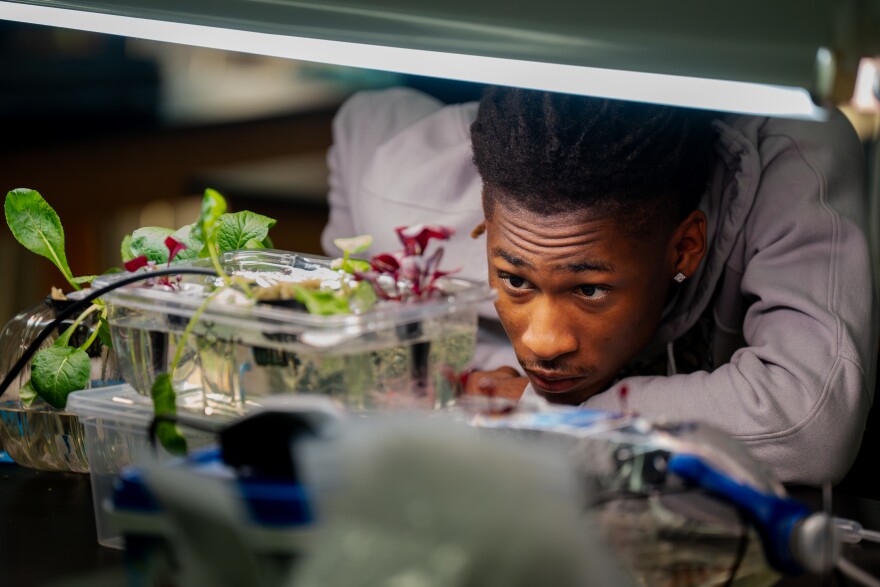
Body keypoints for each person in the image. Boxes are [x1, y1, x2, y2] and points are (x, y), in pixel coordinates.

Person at [321, 86, 876, 486]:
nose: (542, 342)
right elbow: (361, 118)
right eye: (514, 279)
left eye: (589, 290)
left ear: (685, 248)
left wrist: (541, 417)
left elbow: (811, 421)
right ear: (484, 225)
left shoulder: (788, 161)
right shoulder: (405, 184)